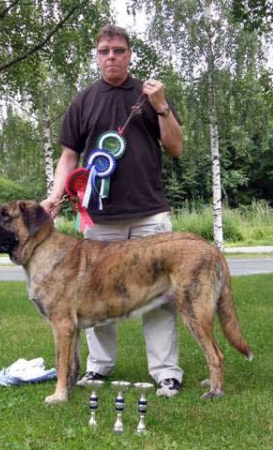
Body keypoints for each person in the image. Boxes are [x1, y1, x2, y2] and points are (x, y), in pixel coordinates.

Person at [40, 24, 184, 397]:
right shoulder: (84, 101)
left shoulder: (150, 96)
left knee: (160, 297)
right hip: (100, 219)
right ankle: (98, 369)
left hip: (149, 214)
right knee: (92, 295)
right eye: (104, 50)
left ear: (130, 54)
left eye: (118, 50)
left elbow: (176, 148)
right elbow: (69, 155)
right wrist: (55, 196)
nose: (111, 57)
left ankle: (167, 372)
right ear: (96, 55)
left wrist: (163, 108)